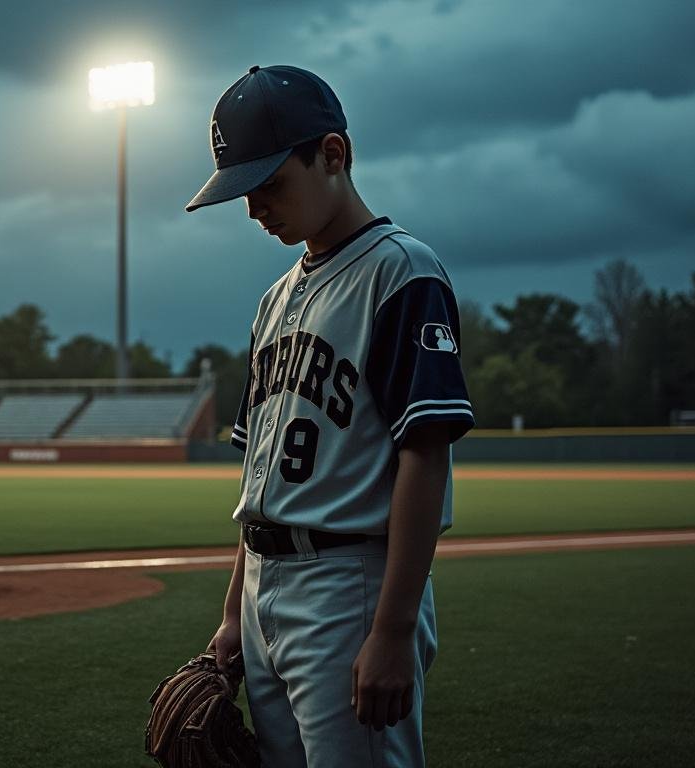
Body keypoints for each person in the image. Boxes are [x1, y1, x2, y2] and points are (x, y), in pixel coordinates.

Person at [184, 65, 474, 767]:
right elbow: (260, 484)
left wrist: (394, 630)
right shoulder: (273, 300)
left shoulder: (401, 271)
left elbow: (425, 455)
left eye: (270, 184)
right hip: (263, 588)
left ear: (334, 155)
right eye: (243, 193)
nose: (255, 209)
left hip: (348, 587)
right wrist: (233, 614)